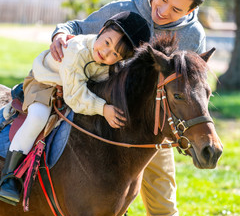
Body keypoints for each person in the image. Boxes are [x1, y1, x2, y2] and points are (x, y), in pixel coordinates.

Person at [49, 0, 209, 216]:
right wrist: (61, 34)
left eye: (176, 9)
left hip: (158, 137)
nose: (163, 10)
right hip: (113, 134)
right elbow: (77, 28)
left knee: (164, 209)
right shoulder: (127, 9)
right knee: (108, 213)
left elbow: (191, 87)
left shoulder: (193, 36)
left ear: (190, 11)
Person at [0, 11, 151, 205]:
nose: (106, 53)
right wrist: (103, 108)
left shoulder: (108, 62)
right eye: (107, 43)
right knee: (38, 117)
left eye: (115, 54)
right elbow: (74, 96)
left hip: (72, 84)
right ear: (102, 30)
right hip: (46, 82)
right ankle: (9, 177)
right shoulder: (76, 51)